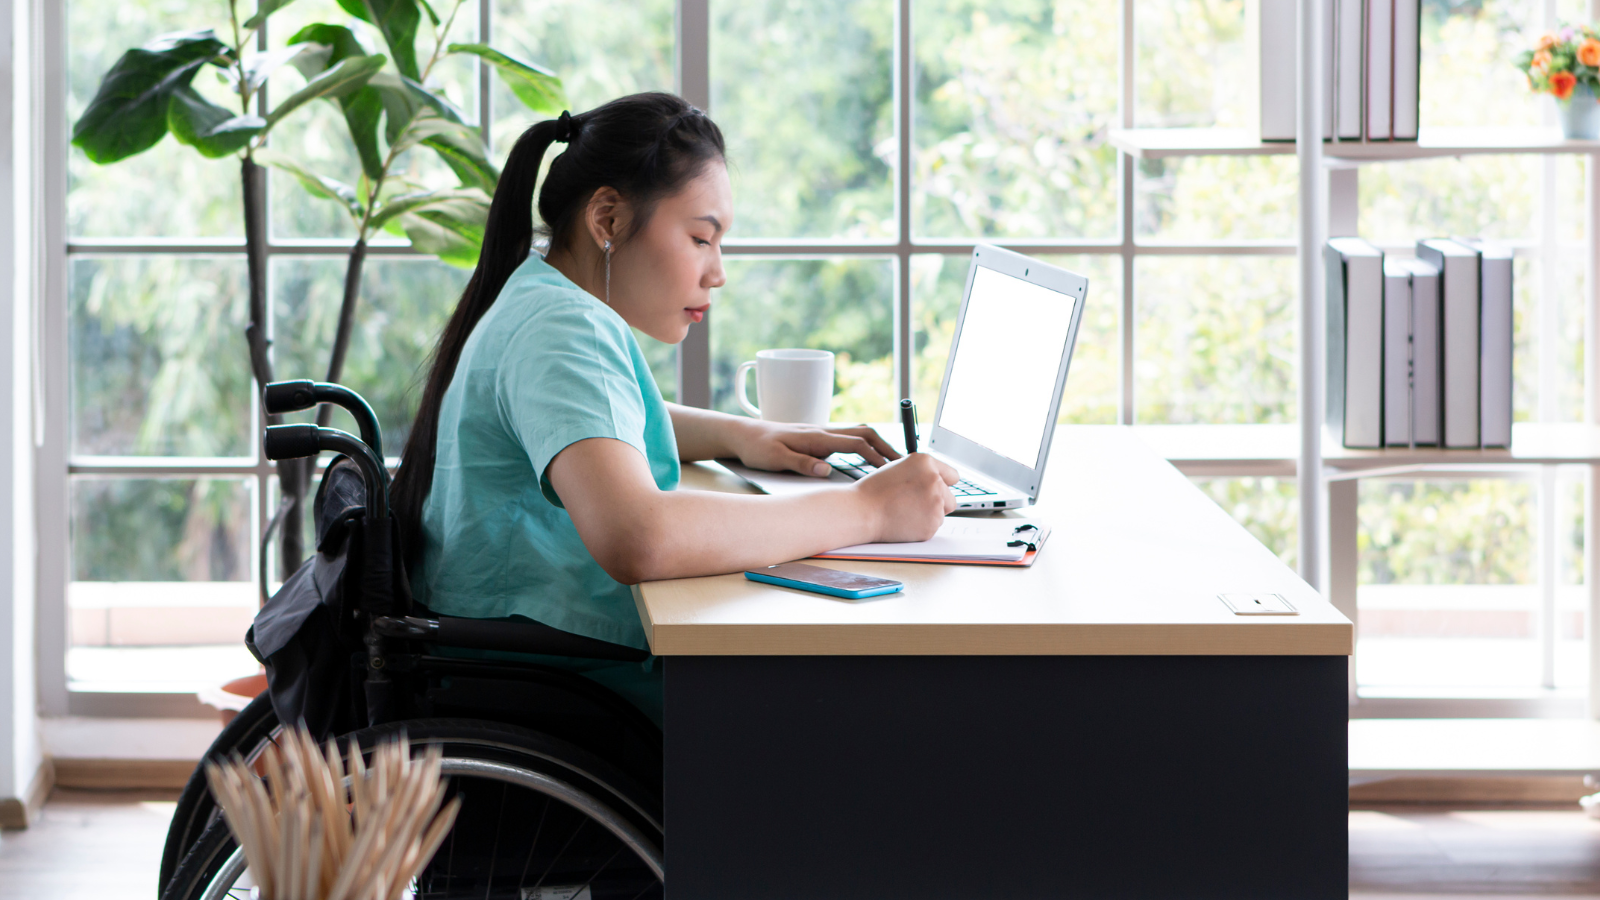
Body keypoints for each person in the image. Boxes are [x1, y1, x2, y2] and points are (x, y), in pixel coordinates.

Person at [391, 92, 958, 725]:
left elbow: (593, 422)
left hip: (533, 653)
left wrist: (746, 435)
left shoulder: (540, 293)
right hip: (556, 679)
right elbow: (640, 536)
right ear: (606, 219)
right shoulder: (562, 328)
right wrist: (867, 509)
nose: (717, 272)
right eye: (700, 238)